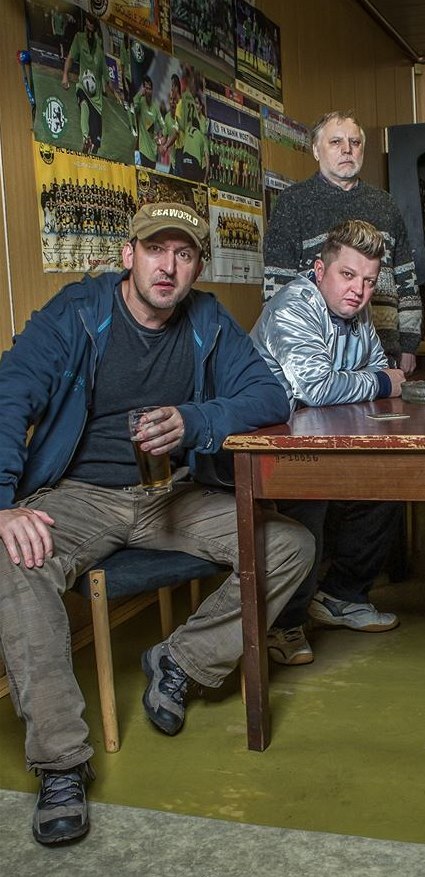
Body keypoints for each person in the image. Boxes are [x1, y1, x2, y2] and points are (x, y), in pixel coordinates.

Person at [0, 202, 315, 846]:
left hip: (171, 493)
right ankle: (60, 764)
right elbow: (10, 394)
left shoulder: (207, 320)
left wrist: (195, 422)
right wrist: (3, 503)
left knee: (289, 545)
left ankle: (180, 661)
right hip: (80, 495)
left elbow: (269, 395)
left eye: (184, 254)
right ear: (129, 255)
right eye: (155, 250)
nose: (167, 266)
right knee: (15, 558)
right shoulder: (77, 313)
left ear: (197, 267)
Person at [251, 220, 406, 665]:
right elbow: (318, 387)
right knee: (310, 497)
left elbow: (375, 366)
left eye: (369, 281)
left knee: (391, 480)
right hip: (268, 442)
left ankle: (341, 595)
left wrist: (372, 379)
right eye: (348, 275)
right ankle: (284, 621)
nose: (359, 290)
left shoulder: (356, 312)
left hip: (326, 433)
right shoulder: (293, 305)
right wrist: (381, 381)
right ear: (320, 270)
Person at [262, 110, 422, 372]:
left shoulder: (385, 204)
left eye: (355, 142)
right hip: (317, 352)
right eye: (336, 142)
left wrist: (409, 344)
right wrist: (285, 343)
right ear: (316, 150)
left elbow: (406, 277)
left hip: (383, 351)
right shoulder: (293, 203)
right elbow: (276, 287)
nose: (347, 150)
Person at [61, 13, 108, 155]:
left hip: (97, 98)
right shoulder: (79, 38)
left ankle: (91, 147)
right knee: (83, 104)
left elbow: (103, 69)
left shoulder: (99, 43)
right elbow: (70, 57)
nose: (90, 25)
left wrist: (111, 88)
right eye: (88, 22)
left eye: (92, 23)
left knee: (97, 144)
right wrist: (65, 75)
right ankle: (85, 138)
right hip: (83, 85)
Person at [132, 75, 163, 169]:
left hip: (153, 153)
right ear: (143, 89)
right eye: (146, 89)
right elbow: (133, 108)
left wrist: (160, 140)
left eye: (150, 89)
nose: (148, 91)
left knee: (152, 177)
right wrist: (139, 94)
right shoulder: (141, 102)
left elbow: (163, 126)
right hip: (143, 151)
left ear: (152, 90)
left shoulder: (155, 107)